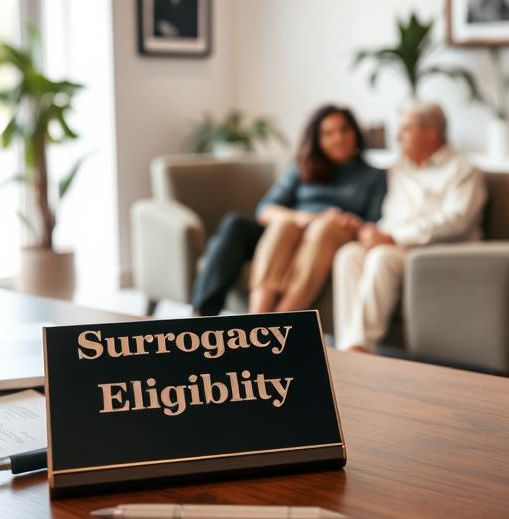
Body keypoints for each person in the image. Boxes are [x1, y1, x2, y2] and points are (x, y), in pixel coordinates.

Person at [190, 105, 386, 317]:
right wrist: (307, 218)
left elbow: (374, 224)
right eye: (328, 133)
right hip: (292, 230)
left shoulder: (374, 176)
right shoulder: (303, 168)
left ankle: (282, 320)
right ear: (317, 140)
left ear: (355, 132)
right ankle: (243, 319)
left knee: (322, 228)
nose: (338, 138)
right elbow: (265, 210)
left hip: (332, 233)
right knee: (268, 223)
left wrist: (349, 222)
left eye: (344, 130)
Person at [332, 101, 487, 352]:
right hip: (396, 245)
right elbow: (392, 215)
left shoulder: (463, 170)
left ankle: (361, 347)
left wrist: (393, 238)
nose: (397, 136)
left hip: (439, 251)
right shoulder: (399, 169)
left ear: (431, 132)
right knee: (348, 254)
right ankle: (346, 346)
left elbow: (457, 220)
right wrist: (374, 231)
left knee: (382, 257)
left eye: (405, 129)